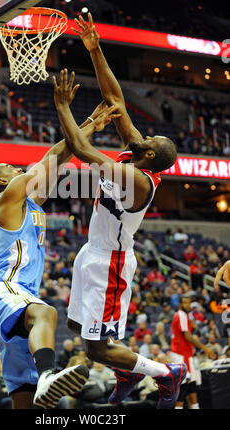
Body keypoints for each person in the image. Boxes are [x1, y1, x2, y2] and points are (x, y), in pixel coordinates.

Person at [53, 37, 186, 410]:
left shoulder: (140, 180)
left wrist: (63, 107)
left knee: (96, 349)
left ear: (147, 155)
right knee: (79, 329)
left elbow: (82, 150)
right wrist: (94, 49)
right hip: (91, 251)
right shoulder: (138, 153)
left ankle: (165, 373)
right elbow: (117, 102)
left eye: (149, 138)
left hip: (111, 261)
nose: (143, 134)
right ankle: (125, 371)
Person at [0, 88, 118, 409]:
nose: (17, 170)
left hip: (18, 298)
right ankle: (48, 375)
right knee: (46, 312)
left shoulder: (30, 203)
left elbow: (60, 161)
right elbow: (49, 159)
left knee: (26, 403)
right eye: (10, 170)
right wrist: (81, 121)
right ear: (3, 182)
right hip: (4, 290)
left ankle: (41, 381)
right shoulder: (7, 198)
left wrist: (89, 128)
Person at [170, 296, 216, 409]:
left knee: (192, 387)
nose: (187, 305)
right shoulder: (180, 314)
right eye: (185, 302)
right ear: (180, 304)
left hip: (187, 354)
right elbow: (187, 336)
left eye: (189, 303)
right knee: (183, 387)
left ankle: (195, 406)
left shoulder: (185, 316)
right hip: (180, 354)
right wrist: (205, 348)